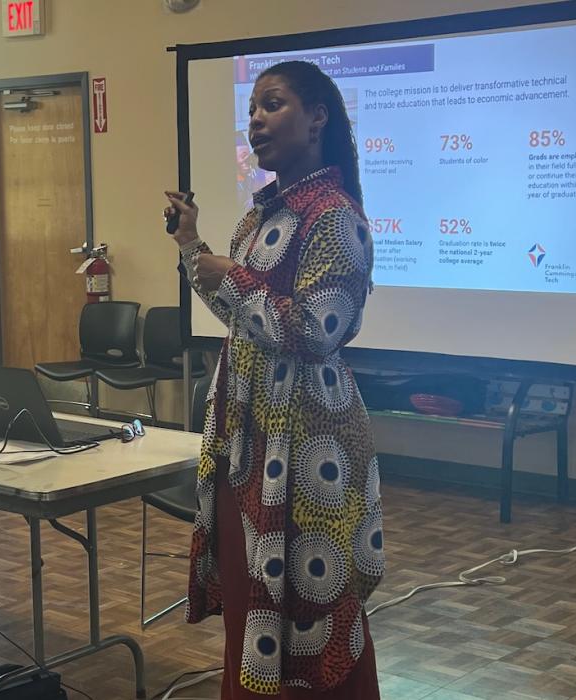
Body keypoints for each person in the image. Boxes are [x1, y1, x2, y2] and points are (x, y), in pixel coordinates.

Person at [163, 60, 382, 698]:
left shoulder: (334, 215)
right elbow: (242, 315)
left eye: (273, 104)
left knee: (312, 608)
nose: (255, 120)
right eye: (252, 108)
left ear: (317, 118)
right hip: (250, 443)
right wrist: (192, 247)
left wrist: (229, 275)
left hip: (309, 448)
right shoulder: (258, 218)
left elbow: (317, 331)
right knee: (252, 598)